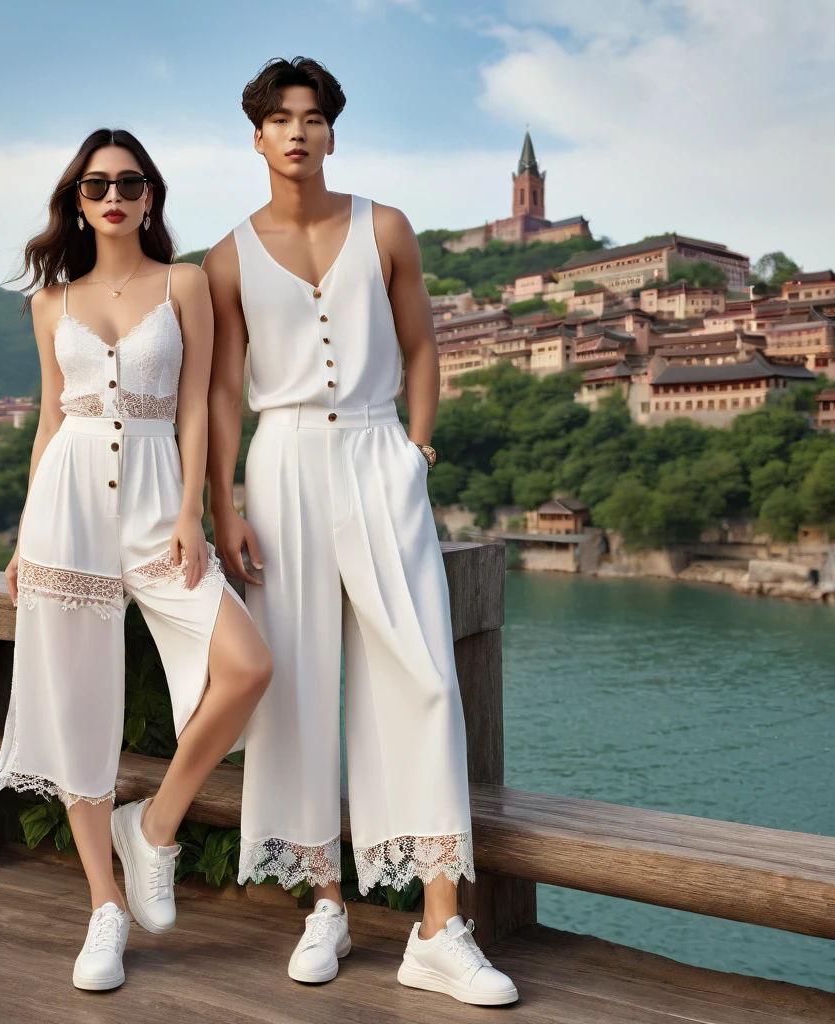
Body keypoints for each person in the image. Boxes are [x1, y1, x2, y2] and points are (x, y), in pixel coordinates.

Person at [203, 58, 518, 1007]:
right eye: (278, 120)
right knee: (296, 684)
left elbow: (424, 346)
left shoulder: (386, 227)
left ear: (333, 132)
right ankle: (325, 904)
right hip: (282, 461)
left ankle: (439, 927)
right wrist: (224, 504)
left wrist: (416, 452)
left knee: (422, 680)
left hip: (381, 454)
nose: (297, 133)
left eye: (313, 118)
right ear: (255, 137)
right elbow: (222, 391)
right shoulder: (225, 259)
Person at [0, 128, 272, 993]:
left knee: (247, 665)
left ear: (150, 195)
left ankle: (152, 827)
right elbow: (51, 418)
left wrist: (193, 510)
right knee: (76, 710)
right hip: (65, 513)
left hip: (161, 510)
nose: (111, 196)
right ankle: (104, 909)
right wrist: (20, 534)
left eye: (128, 182)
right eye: (94, 186)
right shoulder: (52, 304)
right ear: (76, 202)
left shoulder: (183, 284)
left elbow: (197, 406)